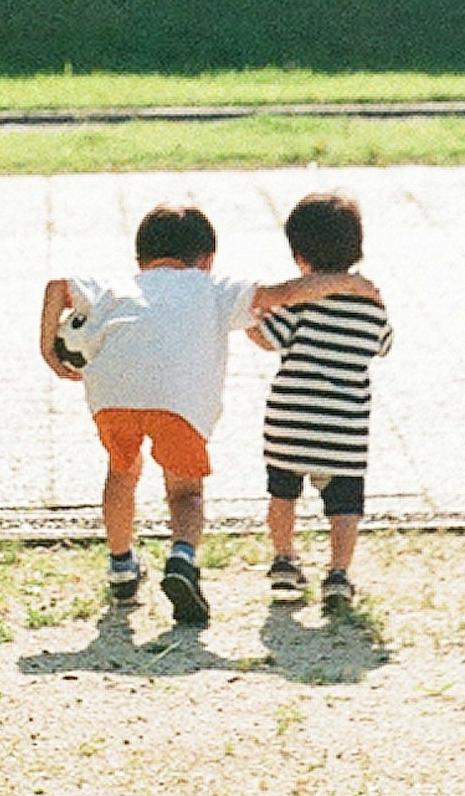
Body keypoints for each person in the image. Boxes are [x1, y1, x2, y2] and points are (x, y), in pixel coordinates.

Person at [40, 202, 372, 625]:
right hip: (177, 406)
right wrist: (347, 282)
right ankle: (181, 557)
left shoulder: (114, 286)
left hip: (112, 399)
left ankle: (122, 566)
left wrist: (49, 351)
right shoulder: (215, 288)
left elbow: (56, 287)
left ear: (140, 258)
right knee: (185, 493)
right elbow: (283, 295)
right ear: (208, 258)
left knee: (122, 471)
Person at [248, 191, 390, 610]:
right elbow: (383, 345)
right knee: (345, 504)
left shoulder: (299, 302)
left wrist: (248, 320)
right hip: (344, 426)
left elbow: (266, 339)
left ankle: (285, 559)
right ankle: (339, 572)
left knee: (282, 495)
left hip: (290, 422)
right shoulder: (370, 307)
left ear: (299, 256)